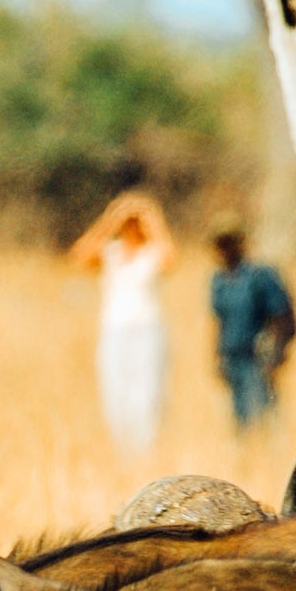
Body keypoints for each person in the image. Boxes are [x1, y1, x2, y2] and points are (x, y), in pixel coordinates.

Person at [69, 191, 176, 456]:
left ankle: (146, 452)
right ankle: (124, 453)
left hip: (147, 329)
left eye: (135, 221)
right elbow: (78, 257)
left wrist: (152, 217)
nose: (132, 226)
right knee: (115, 395)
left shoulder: (151, 254)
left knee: (148, 396)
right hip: (114, 330)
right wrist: (111, 219)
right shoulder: (111, 253)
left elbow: (171, 260)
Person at [208, 215, 296, 429]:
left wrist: (275, 351)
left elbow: (280, 315)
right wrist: (217, 355)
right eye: (221, 244)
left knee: (262, 416)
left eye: (229, 243)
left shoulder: (259, 276)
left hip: (257, 356)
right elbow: (219, 320)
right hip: (232, 356)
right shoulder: (219, 281)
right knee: (240, 419)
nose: (225, 250)